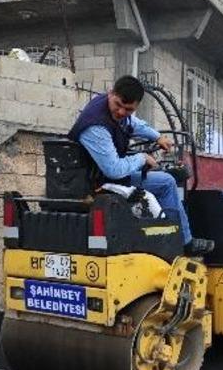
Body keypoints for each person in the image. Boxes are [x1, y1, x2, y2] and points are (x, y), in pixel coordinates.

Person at [68, 75, 214, 255]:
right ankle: (182, 243)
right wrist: (142, 158)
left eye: (128, 109)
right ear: (111, 93)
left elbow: (133, 124)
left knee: (163, 181)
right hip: (99, 182)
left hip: (102, 176)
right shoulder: (96, 126)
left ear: (136, 106)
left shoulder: (115, 111)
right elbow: (114, 169)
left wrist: (157, 137)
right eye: (118, 105)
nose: (121, 112)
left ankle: (172, 238)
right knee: (167, 183)